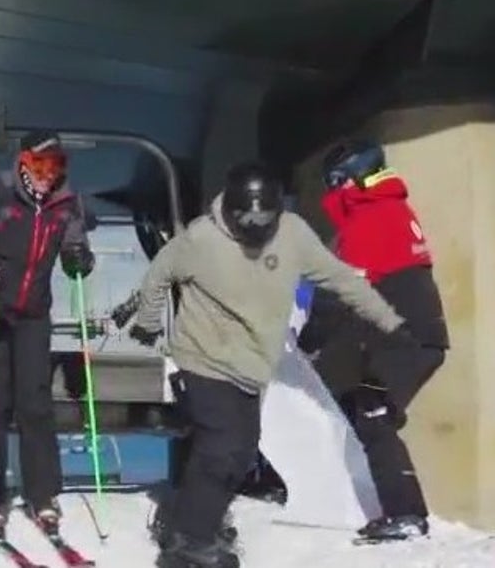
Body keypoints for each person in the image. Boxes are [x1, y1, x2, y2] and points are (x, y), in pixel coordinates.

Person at [119, 161, 419, 568]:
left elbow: (342, 279)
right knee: (221, 447)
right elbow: (159, 274)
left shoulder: (293, 234)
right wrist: (148, 322)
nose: (255, 227)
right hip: (204, 357)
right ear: (231, 210)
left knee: (242, 451)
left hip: (253, 364)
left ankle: (195, 520)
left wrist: (389, 322)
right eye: (246, 219)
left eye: (264, 220)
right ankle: (189, 542)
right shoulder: (202, 239)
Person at [0, 130, 95, 534]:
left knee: (35, 402)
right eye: (39, 165)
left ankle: (43, 494)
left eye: (55, 166)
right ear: (23, 163)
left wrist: (78, 259)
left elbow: (76, 248)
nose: (47, 174)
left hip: (33, 313)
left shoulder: (66, 203)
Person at [315, 140, 447, 543]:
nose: (332, 191)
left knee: (374, 415)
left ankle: (406, 515)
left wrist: (311, 338)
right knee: (366, 406)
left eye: (334, 182)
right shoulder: (392, 208)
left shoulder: (370, 217)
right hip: (412, 339)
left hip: (408, 342)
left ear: (348, 178)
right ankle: (402, 509)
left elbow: (343, 292)